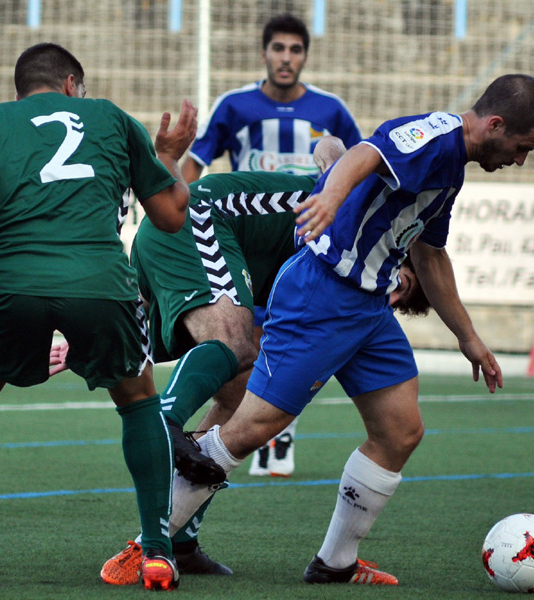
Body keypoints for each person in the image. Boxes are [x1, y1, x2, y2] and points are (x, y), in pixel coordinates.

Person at [164, 74, 534, 586]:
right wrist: (329, 198)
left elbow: (430, 254)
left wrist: (469, 337)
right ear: (496, 124)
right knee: (251, 429)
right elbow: (366, 153)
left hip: (369, 307)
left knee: (400, 431)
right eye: (522, 148)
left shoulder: (453, 167)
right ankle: (146, 542)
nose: (520, 160)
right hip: (323, 295)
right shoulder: (434, 136)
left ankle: (335, 562)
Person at [50, 138, 429, 586]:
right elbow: (330, 145)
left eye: (398, 298)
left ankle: (182, 541)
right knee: (234, 344)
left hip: (217, 253)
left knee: (238, 392)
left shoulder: (348, 274)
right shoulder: (359, 211)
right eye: (402, 284)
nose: (390, 293)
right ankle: (164, 423)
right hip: (202, 221)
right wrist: (338, 166)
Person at [0, 42, 197, 592]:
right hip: (100, 283)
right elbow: (171, 217)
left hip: (13, 281)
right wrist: (169, 155)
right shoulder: (112, 118)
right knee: (138, 399)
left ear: (21, 91)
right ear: (74, 84)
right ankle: (156, 550)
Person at [181, 12, 364, 477]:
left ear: (305, 55)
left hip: (307, 246)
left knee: (283, 346)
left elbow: (357, 172)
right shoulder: (235, 105)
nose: (286, 58)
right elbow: (196, 164)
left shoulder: (331, 110)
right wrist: (174, 211)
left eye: (295, 49)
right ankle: (221, 435)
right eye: (278, 49)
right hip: (249, 242)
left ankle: (265, 439)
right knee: (246, 345)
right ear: (264, 53)